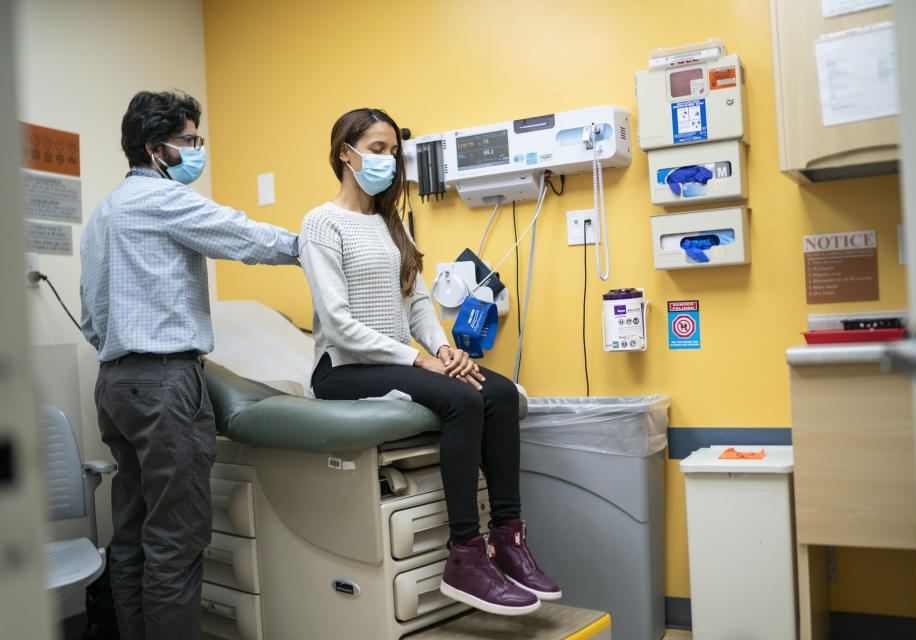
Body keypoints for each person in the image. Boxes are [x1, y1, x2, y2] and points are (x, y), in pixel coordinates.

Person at [299, 108, 560, 616]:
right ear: (344, 153)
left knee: (501, 392)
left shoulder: (391, 222)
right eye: (376, 149)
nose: (388, 160)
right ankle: (464, 553)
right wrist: (421, 362)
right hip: (342, 369)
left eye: (393, 152)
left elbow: (417, 304)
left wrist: (444, 350)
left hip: (398, 360)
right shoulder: (321, 223)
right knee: (462, 398)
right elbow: (337, 323)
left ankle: (507, 538)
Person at [79, 90, 300, 640]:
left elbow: (91, 317)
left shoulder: (103, 213)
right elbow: (249, 237)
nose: (199, 151)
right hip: (164, 385)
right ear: (155, 149)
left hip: (114, 385)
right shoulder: (164, 201)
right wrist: (319, 242)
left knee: (131, 535)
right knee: (176, 540)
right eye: (190, 141)